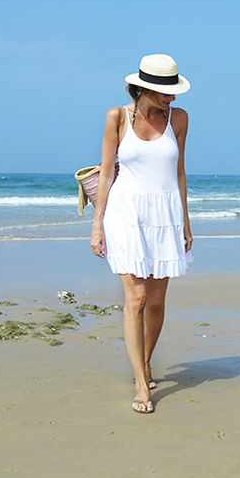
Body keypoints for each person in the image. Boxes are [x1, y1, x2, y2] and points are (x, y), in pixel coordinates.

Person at [90, 54, 193, 413]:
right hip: (125, 214)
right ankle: (140, 382)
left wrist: (186, 220)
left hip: (165, 215)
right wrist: (97, 224)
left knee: (157, 302)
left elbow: (179, 172)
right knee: (135, 300)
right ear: (145, 88)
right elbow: (106, 173)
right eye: (166, 93)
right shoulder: (116, 117)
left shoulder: (178, 119)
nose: (172, 99)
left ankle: (145, 362)